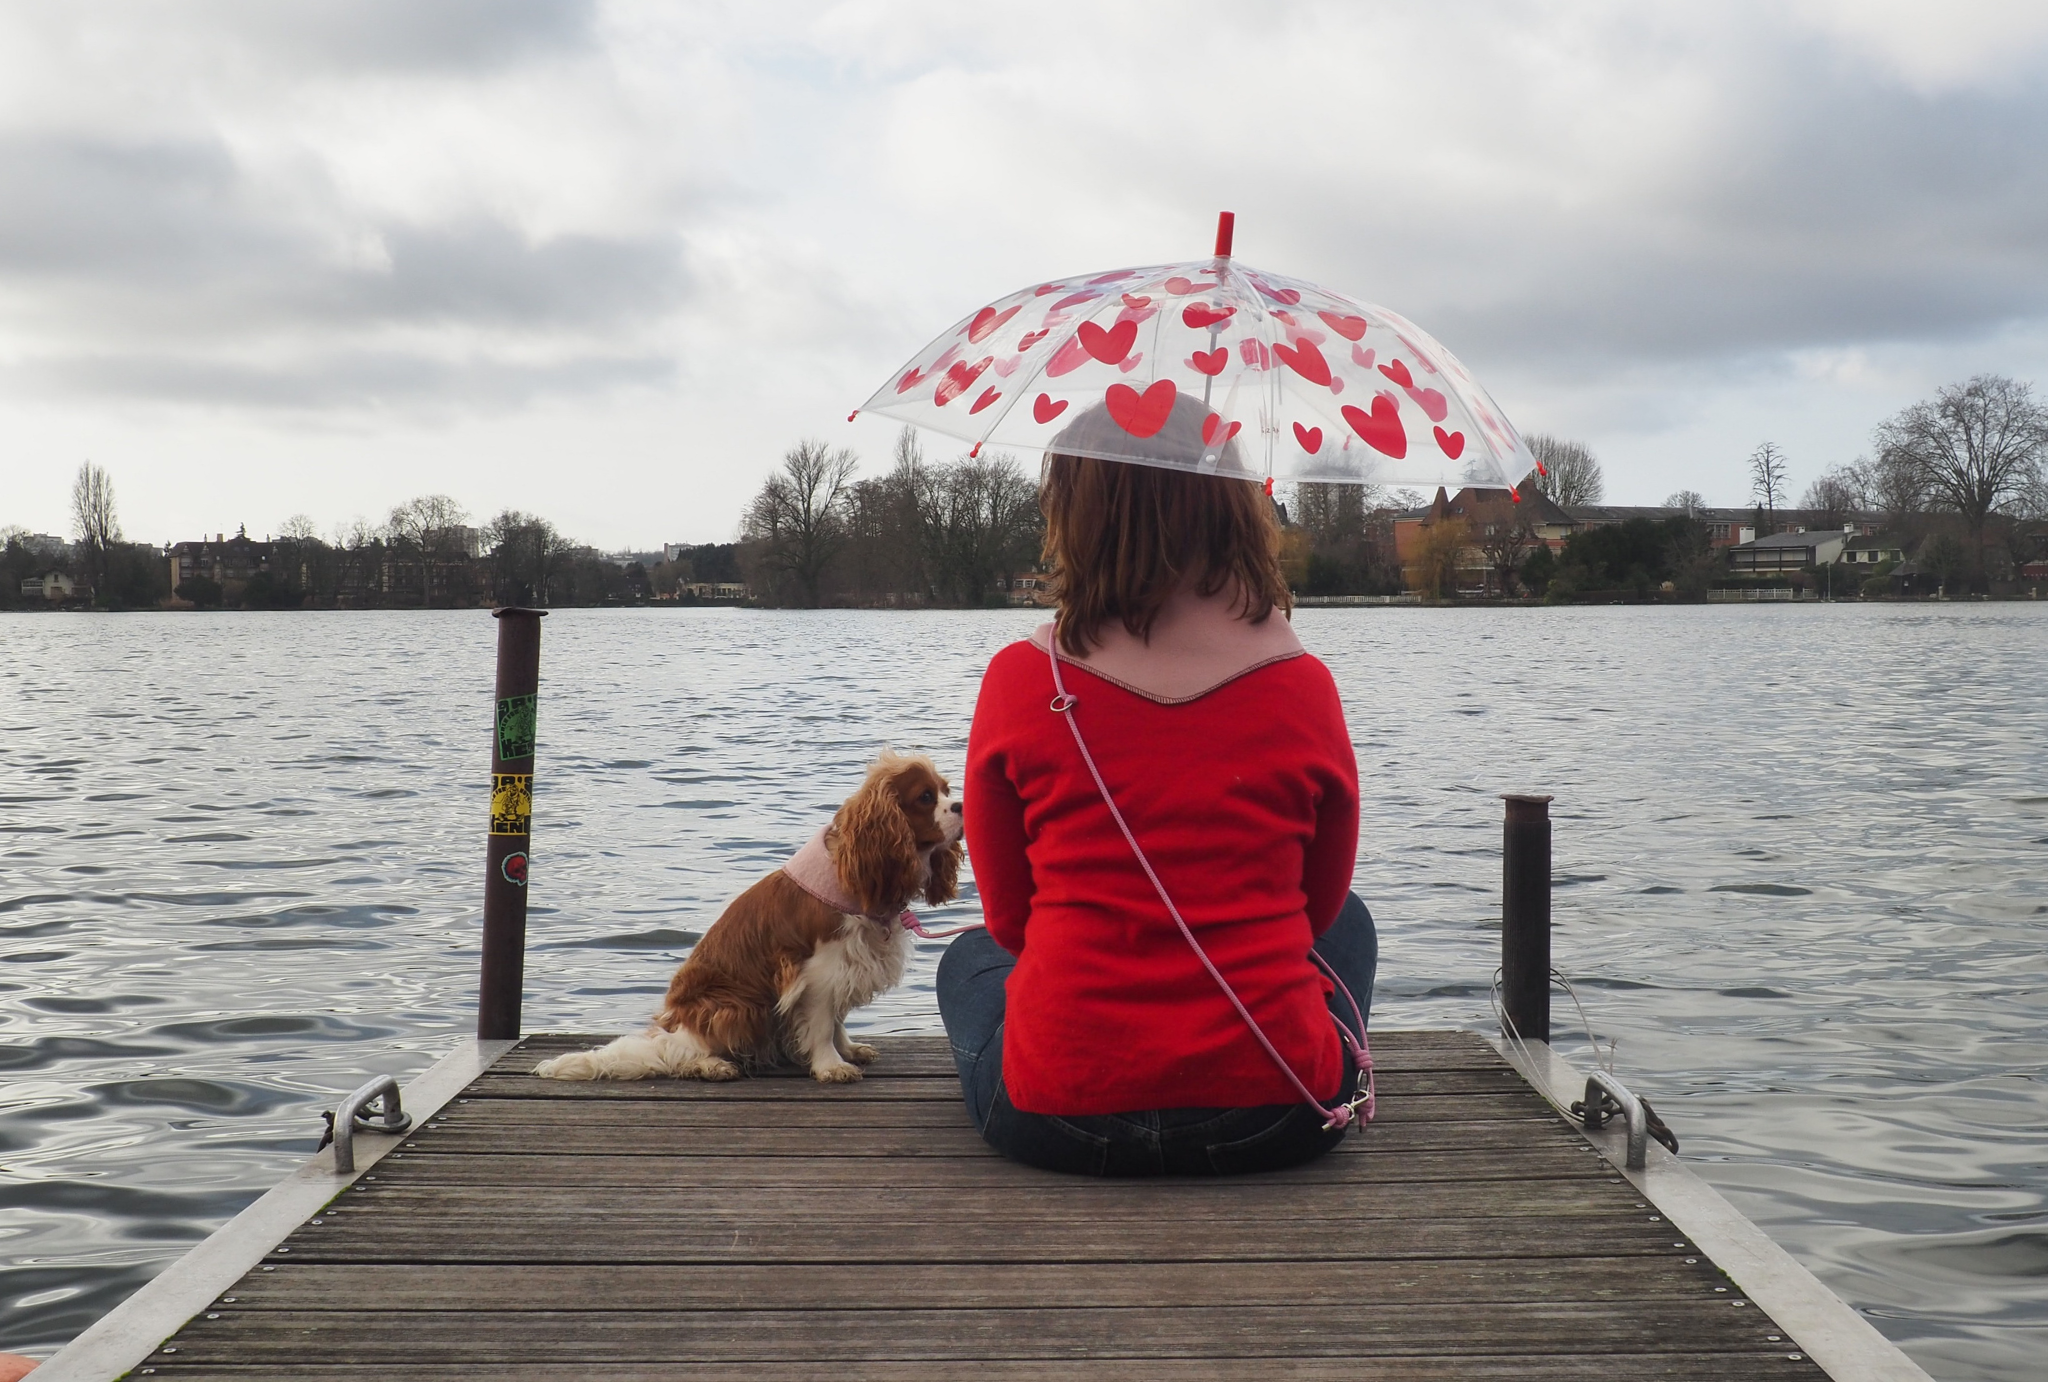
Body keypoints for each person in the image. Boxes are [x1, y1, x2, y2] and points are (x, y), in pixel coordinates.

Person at [937, 395, 1376, 1177]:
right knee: (1353, 927)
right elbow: (1316, 908)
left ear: (1075, 515)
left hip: (1060, 1117)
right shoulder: (1304, 684)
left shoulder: (1018, 680)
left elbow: (1009, 922)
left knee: (967, 959)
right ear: (1232, 512)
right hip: (1274, 1114)